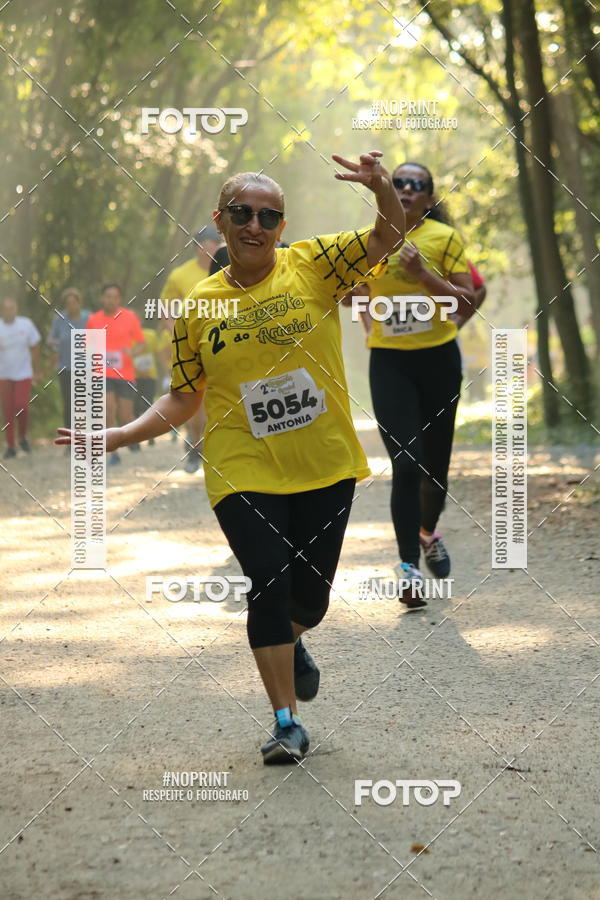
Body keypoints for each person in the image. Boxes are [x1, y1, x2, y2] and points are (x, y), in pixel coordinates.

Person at [57, 154, 405, 764]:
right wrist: (116, 436)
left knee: (310, 601)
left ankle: (293, 640)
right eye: (242, 213)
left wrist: (381, 190)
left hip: (323, 460)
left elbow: (388, 236)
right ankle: (284, 722)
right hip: (240, 465)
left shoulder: (315, 265)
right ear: (220, 220)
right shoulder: (198, 306)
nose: (255, 225)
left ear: (280, 225)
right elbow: (183, 396)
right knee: (268, 581)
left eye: (269, 216)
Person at [358, 162, 476, 603]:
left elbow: (466, 302)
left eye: (417, 185)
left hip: (438, 361)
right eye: (399, 183)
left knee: (435, 473)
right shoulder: (374, 238)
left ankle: (428, 532)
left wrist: (425, 275)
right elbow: (354, 290)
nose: (406, 189)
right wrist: (367, 318)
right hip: (389, 363)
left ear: (429, 198)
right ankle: (408, 568)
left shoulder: (444, 239)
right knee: (406, 464)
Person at [162, 225, 222, 473]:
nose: (218, 246)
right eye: (212, 242)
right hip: (190, 349)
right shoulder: (179, 276)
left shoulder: (227, 270)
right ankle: (194, 447)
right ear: (199, 246)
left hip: (222, 346)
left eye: (219, 241)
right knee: (193, 403)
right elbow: (166, 311)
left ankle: (214, 451)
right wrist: (181, 338)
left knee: (217, 402)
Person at [86, 284, 145, 466]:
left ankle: (130, 438)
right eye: (107, 296)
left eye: (114, 297)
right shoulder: (93, 320)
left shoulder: (129, 317)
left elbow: (142, 343)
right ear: (102, 298)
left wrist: (133, 353)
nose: (110, 300)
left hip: (125, 373)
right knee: (108, 409)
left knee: (125, 415)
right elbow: (88, 346)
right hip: (102, 372)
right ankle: (113, 452)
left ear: (119, 299)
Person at [0, 297, 41, 458]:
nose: (10, 311)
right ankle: (11, 445)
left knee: (22, 404)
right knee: (8, 409)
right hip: (4, 374)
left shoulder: (26, 324)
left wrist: (37, 370)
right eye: (7, 308)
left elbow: (35, 347)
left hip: (24, 373)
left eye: (13, 308)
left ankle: (22, 436)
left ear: (16, 309)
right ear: (2, 310)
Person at [47, 288, 90, 433]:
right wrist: (60, 342)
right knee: (69, 402)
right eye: (68, 303)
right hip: (65, 367)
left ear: (79, 303)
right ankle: (70, 436)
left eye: (74, 302)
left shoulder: (88, 318)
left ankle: (85, 434)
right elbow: (50, 340)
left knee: (84, 402)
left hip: (86, 367)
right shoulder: (59, 319)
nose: (71, 306)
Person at [133, 325, 159, 443]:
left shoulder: (151, 334)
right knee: (135, 406)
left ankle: (151, 434)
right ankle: (136, 435)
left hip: (150, 375)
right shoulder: (127, 335)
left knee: (149, 404)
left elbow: (157, 352)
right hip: (133, 376)